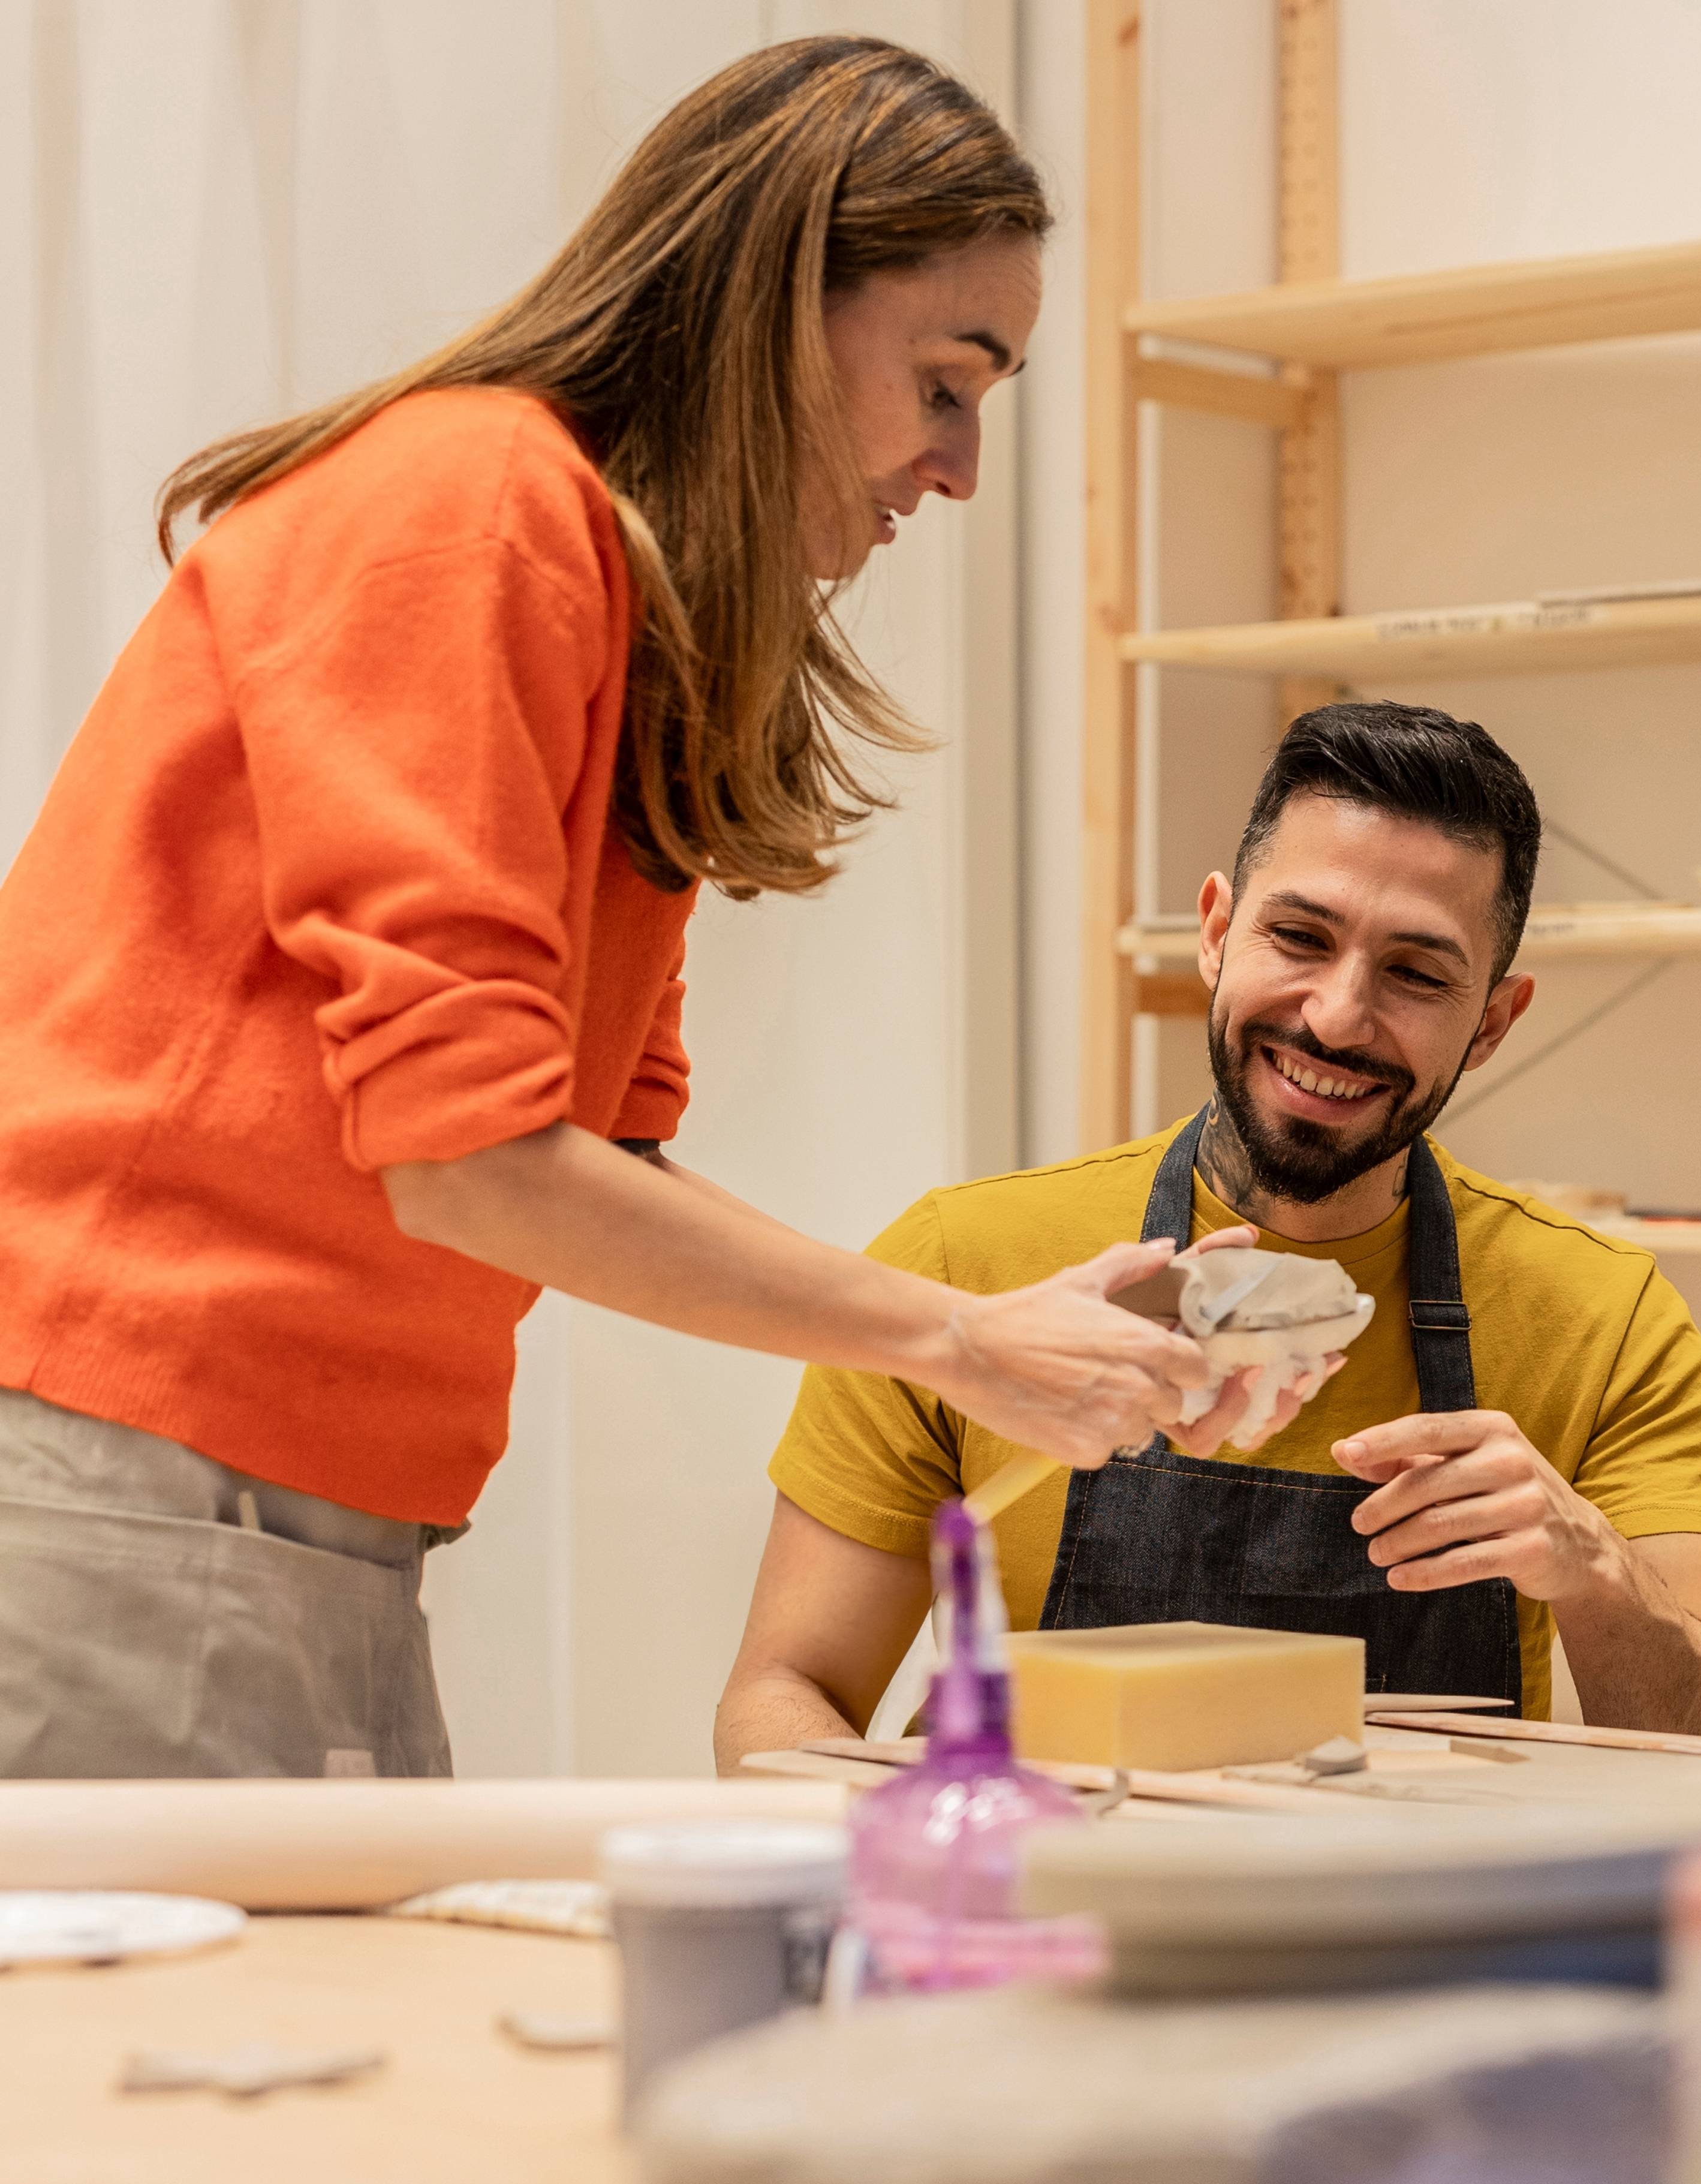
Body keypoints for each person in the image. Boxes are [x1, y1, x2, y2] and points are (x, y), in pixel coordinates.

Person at [0, 38, 1244, 1780]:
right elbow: (463, 1156)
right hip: (141, 1480)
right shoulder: (473, 502)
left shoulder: (610, 600)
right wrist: (957, 1340)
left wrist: (1006, 1345)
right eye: (944, 383)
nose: (957, 469)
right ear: (769, 298)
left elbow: (571, 1167)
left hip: (298, 1516)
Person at [716, 700, 1701, 1767]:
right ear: (1218, 934)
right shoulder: (962, 1266)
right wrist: (935, 1859)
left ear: (1493, 1021)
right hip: (1052, 1915)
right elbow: (784, 1693)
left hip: (1421, 1929)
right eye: (1299, 937)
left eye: (1416, 973)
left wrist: (1594, 1571)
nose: (1335, 1017)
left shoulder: (1600, 1317)